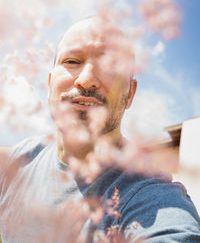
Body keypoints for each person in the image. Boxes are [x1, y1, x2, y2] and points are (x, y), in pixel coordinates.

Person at [0, 16, 199, 243]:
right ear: (49, 84)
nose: (86, 80)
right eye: (72, 62)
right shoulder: (19, 161)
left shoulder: (150, 197)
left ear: (130, 94)